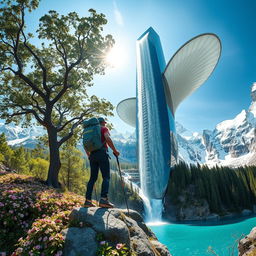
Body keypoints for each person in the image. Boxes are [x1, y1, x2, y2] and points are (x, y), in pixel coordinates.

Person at [84, 117, 120, 208]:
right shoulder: (103, 129)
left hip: (92, 155)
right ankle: (103, 199)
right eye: (104, 122)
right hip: (102, 153)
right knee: (106, 177)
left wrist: (89, 156)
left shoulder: (89, 131)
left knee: (92, 178)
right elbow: (107, 138)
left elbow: (85, 145)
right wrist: (115, 151)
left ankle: (87, 201)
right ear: (102, 122)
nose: (105, 124)